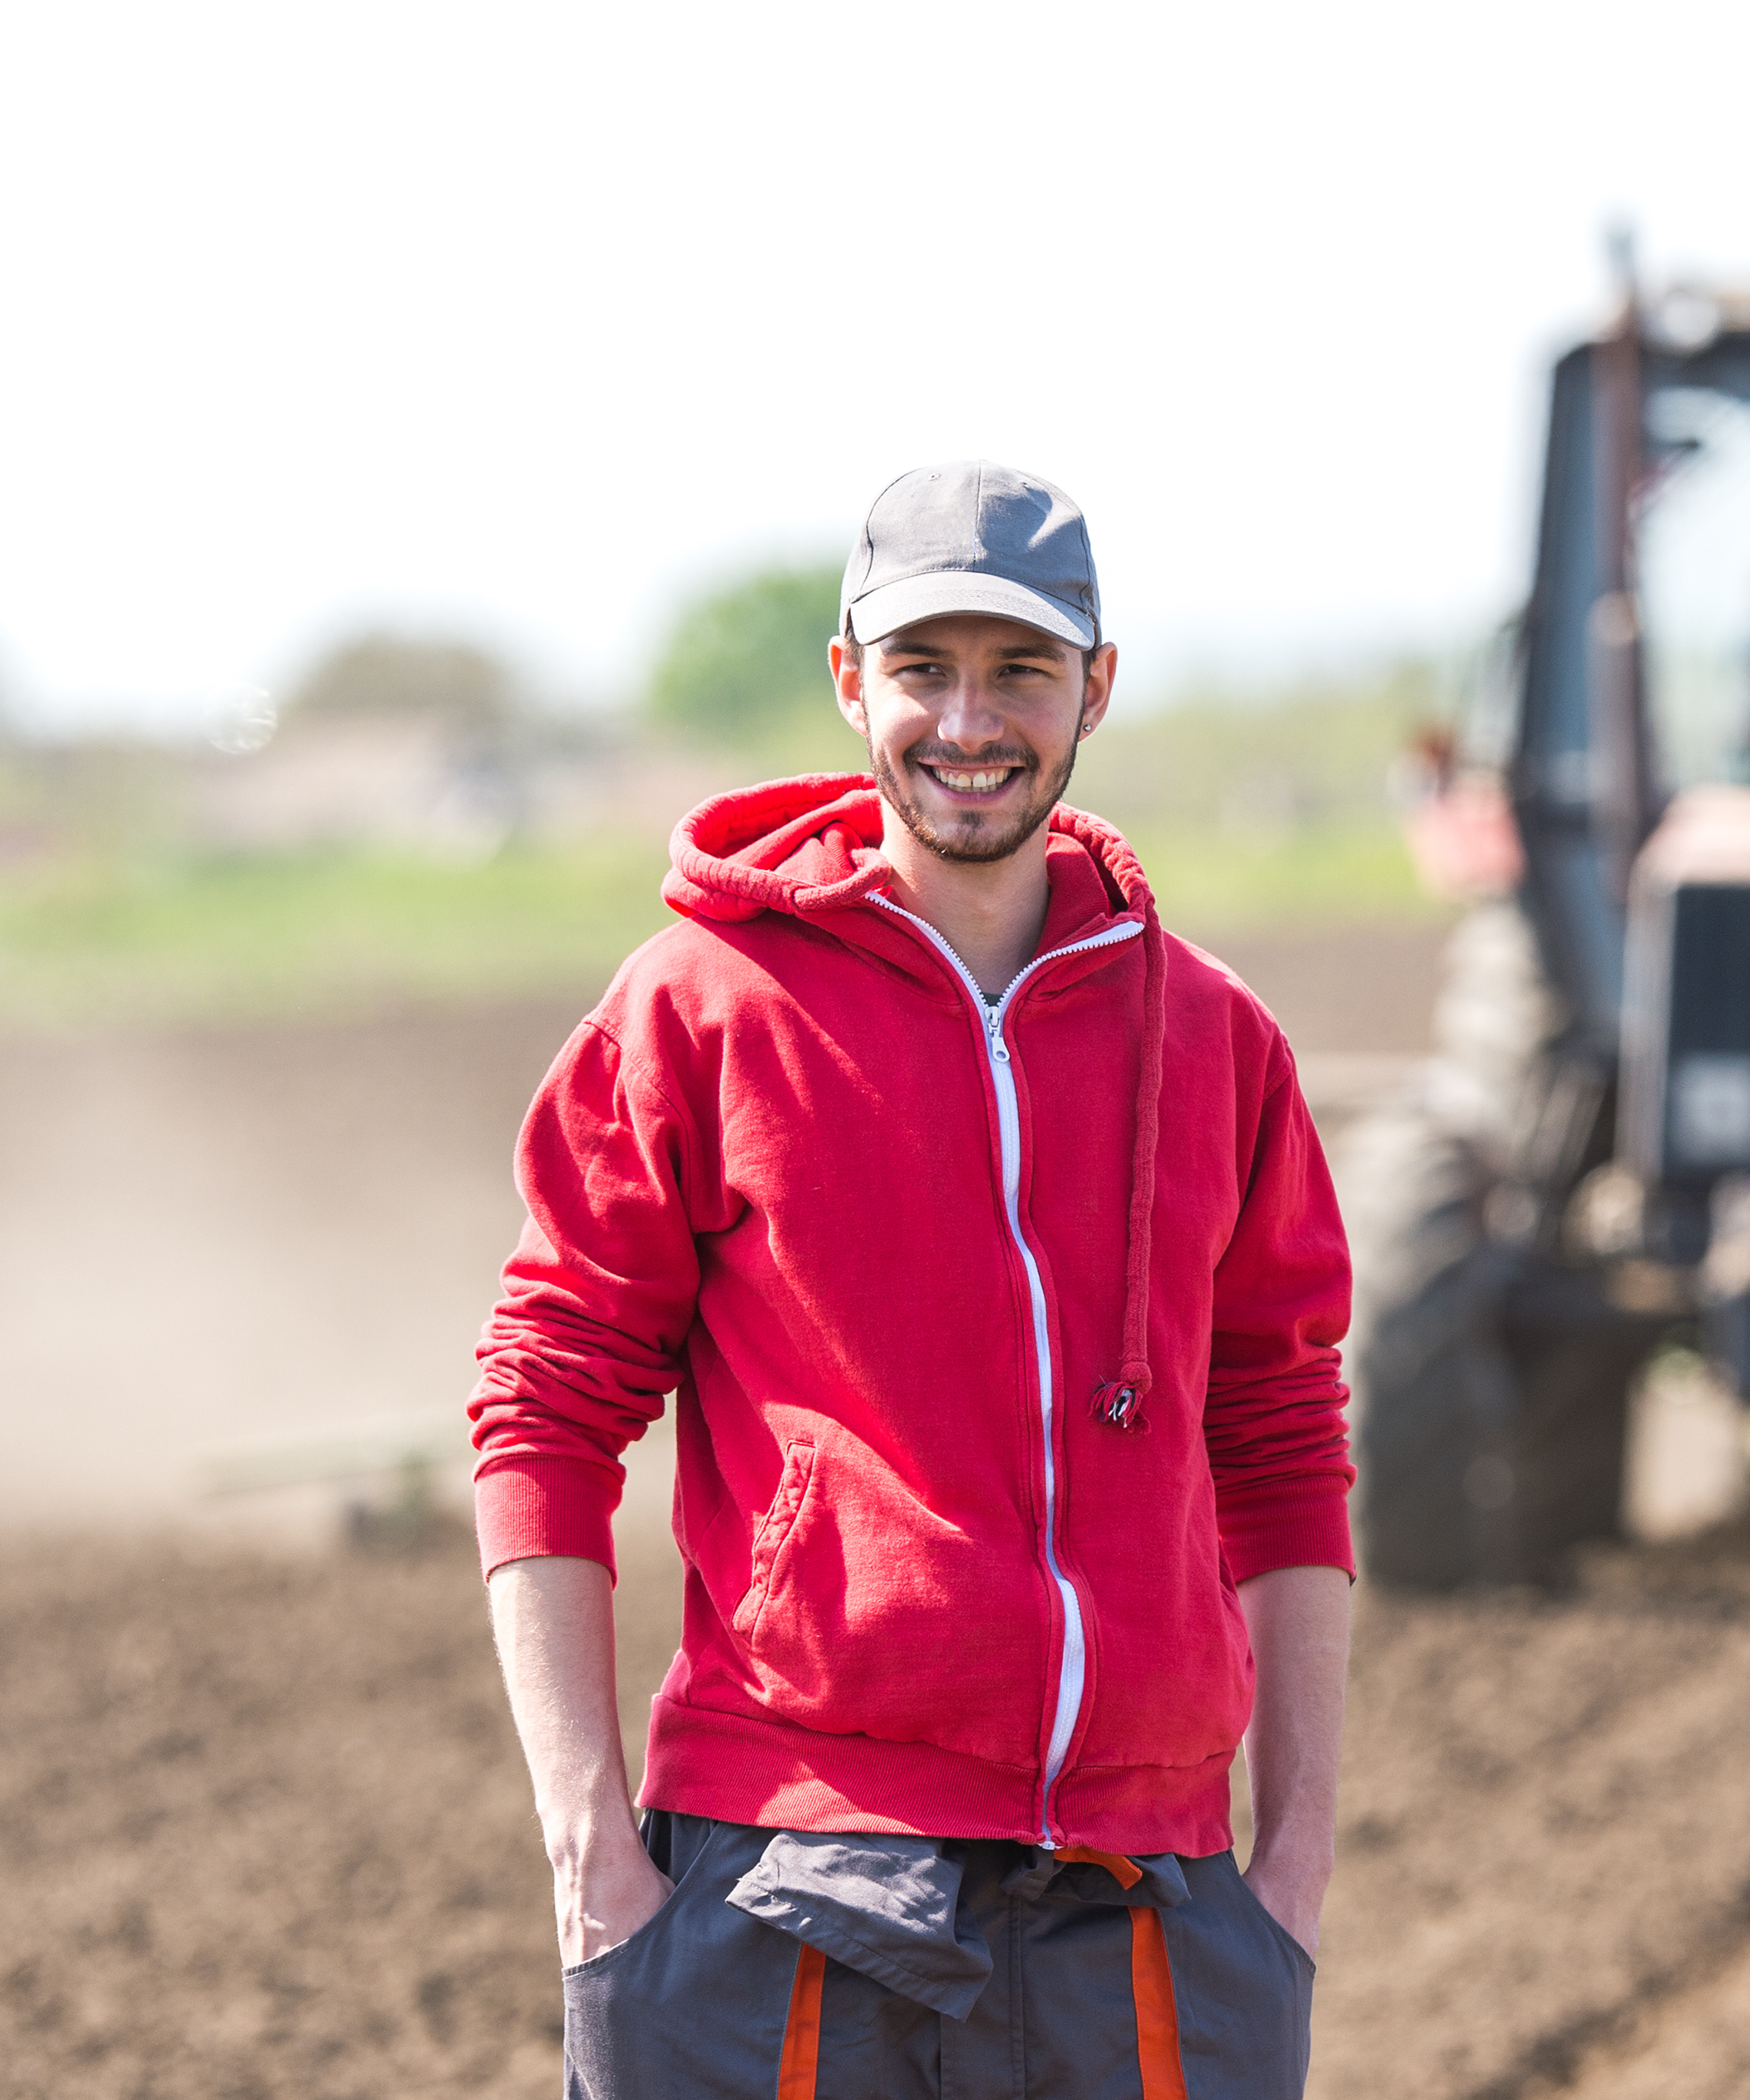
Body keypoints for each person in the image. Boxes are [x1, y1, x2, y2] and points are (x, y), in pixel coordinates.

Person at [471, 461, 1355, 2099]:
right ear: (847, 679)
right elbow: (544, 1403)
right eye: (922, 667)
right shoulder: (699, 1007)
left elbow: (1283, 1431)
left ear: (1096, 684)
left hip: (1148, 1909)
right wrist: (590, 1850)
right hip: (785, 1889)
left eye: (1020, 668)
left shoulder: (1216, 1037)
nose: (969, 720)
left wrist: (1291, 1863)